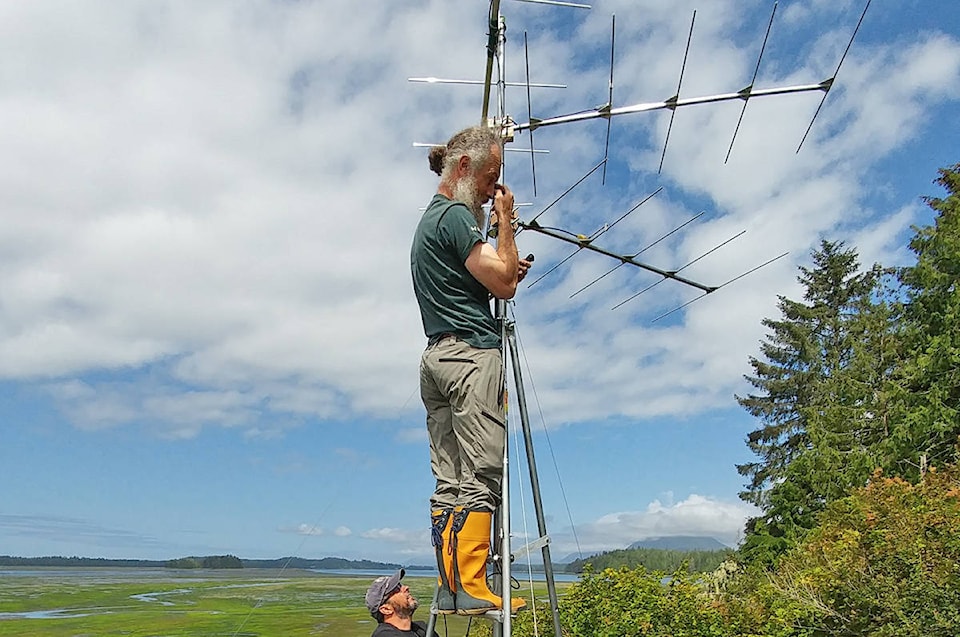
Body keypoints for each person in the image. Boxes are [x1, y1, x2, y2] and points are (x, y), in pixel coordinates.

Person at [410, 125, 531, 615]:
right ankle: (475, 586)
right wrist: (505, 223)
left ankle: (452, 586)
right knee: (481, 474)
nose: (491, 189)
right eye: (489, 177)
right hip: (470, 358)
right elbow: (504, 284)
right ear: (463, 169)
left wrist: (501, 263)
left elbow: (486, 275)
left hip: (435, 359)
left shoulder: (429, 222)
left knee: (449, 479)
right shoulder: (458, 215)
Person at [365, 569, 438, 637]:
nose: (406, 587)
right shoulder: (384, 635)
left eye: (400, 585)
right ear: (386, 609)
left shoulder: (422, 628)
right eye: (396, 588)